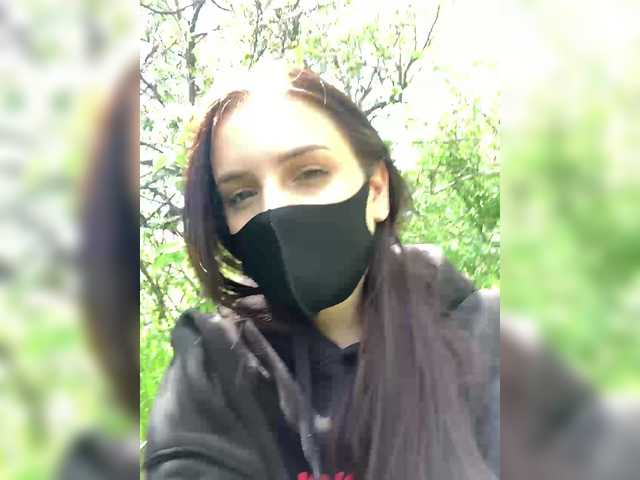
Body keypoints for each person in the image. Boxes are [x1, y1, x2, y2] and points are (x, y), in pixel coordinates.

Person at [143, 67, 499, 480]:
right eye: (242, 194)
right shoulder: (211, 369)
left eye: (310, 173)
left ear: (376, 190)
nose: (274, 209)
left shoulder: (490, 339)